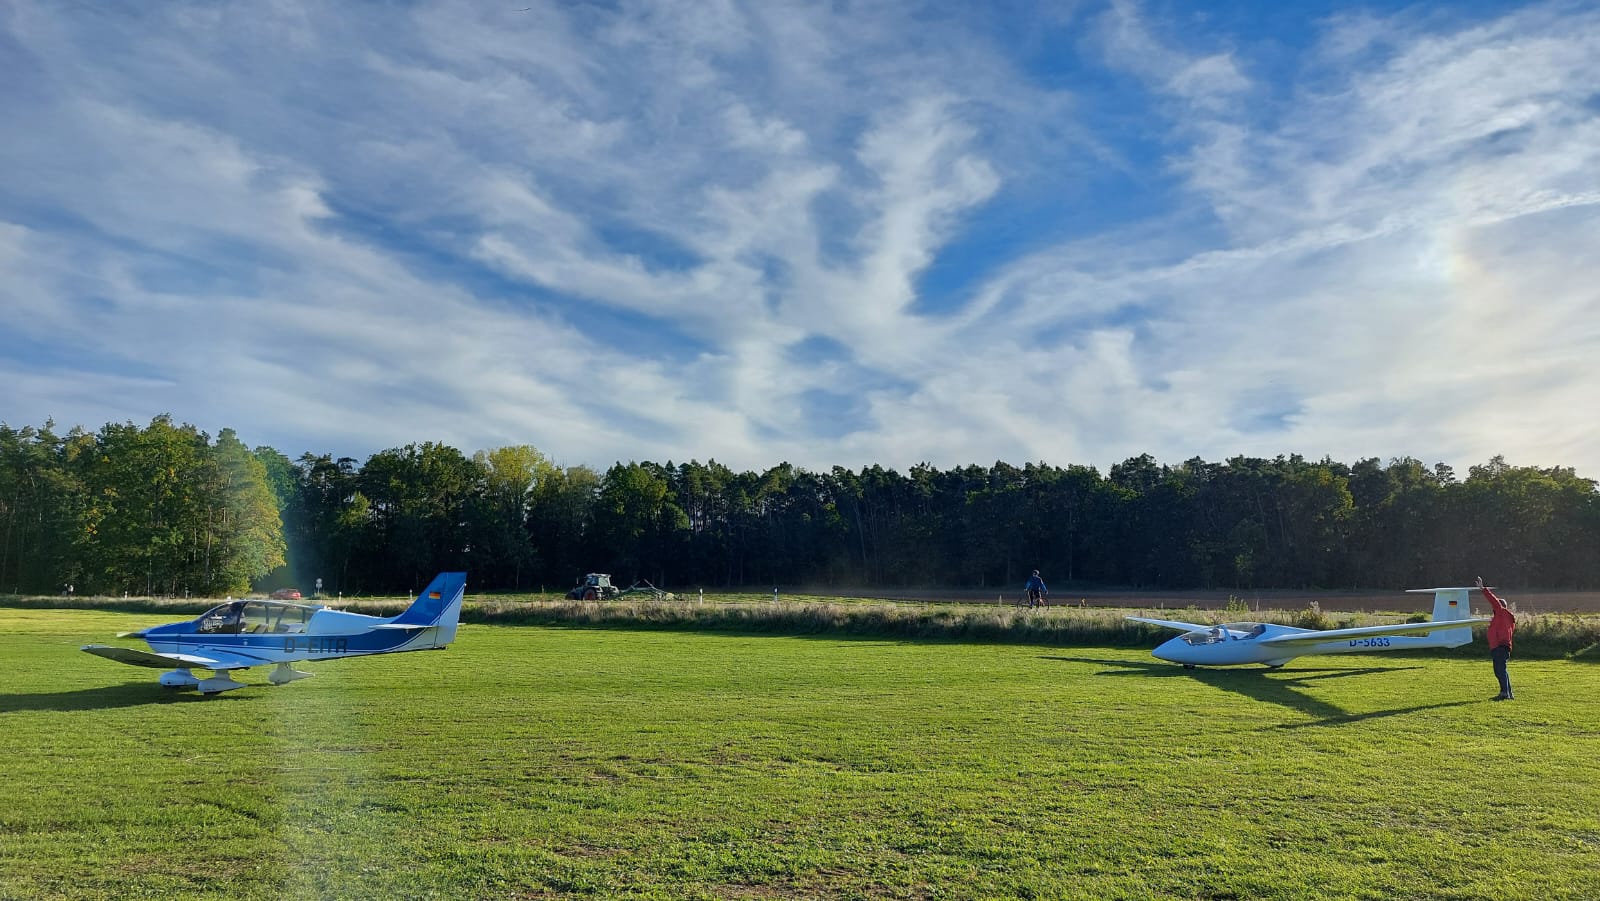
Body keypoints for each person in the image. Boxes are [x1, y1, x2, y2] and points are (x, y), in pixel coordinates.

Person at [1477, 576, 1516, 700]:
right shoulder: (1505, 618)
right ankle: (1508, 693)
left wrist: (1483, 589)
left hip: (1499, 647)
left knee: (1499, 670)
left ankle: (1505, 694)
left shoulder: (1501, 612)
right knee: (1501, 670)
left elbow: (1493, 601)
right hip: (1502, 647)